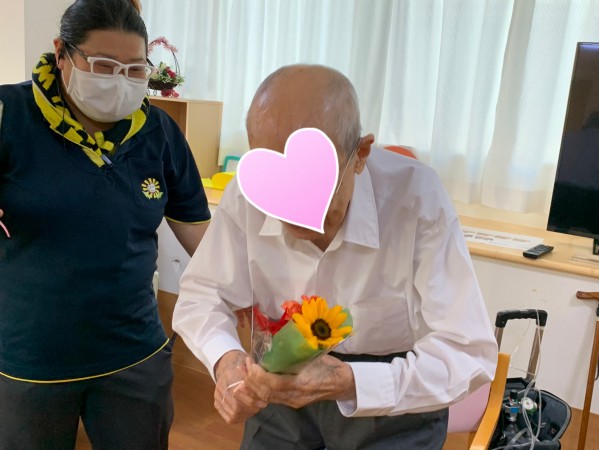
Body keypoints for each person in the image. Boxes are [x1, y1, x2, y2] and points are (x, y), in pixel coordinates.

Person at [173, 64, 497, 449]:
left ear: (360, 154)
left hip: (391, 393)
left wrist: (349, 382)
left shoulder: (416, 198)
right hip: (280, 374)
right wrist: (226, 360)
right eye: (278, 188)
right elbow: (201, 296)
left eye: (315, 185)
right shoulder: (246, 196)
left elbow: (467, 351)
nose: (295, 212)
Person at [0, 0, 211, 448]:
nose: (119, 81)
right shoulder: (9, 115)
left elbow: (201, 236)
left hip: (134, 355)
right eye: (103, 65)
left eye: (134, 69)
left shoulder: (159, 133)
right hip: (29, 360)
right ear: (62, 53)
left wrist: (258, 290)